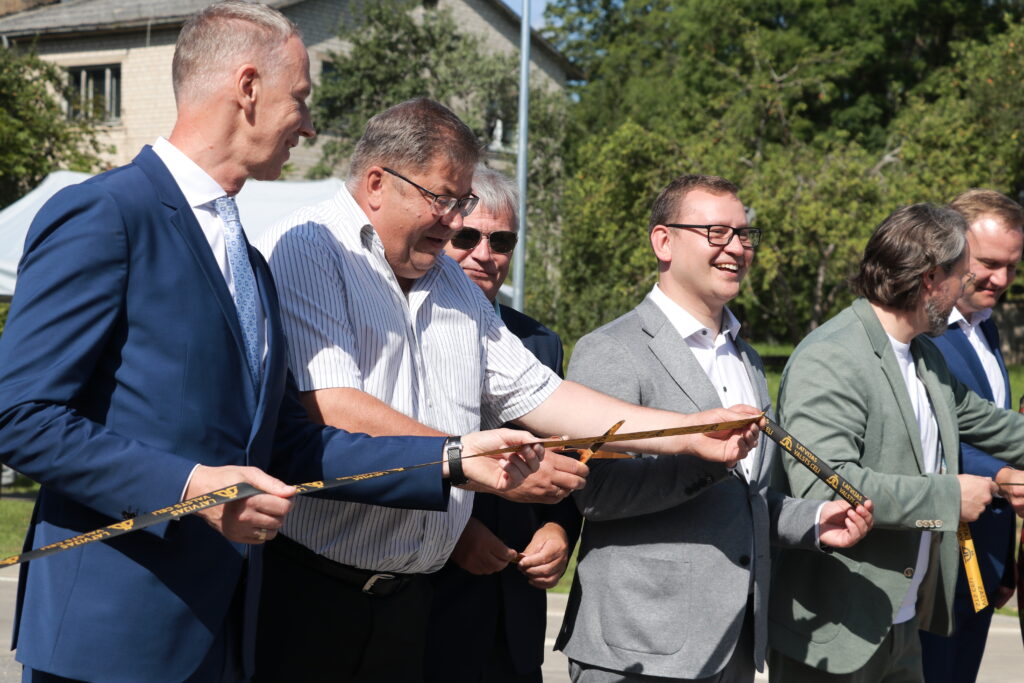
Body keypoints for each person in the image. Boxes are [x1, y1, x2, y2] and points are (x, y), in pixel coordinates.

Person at [0, 5, 545, 682]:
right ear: (249, 88)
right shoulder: (107, 213)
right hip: (112, 639)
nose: (309, 124)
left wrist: (452, 458)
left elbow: (283, 443)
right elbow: (20, 416)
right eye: (302, 98)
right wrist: (191, 487)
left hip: (229, 634)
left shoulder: (252, 263)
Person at [255, 98, 761, 682]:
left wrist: (690, 432)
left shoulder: (448, 280)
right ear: (376, 184)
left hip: (409, 603)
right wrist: (465, 459)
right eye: (444, 200)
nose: (454, 223)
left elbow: (545, 397)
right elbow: (333, 404)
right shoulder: (313, 245)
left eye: (463, 203)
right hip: (312, 595)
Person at [553, 174, 874, 683]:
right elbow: (595, 494)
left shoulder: (747, 358)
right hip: (640, 647)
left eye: (744, 234)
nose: (737, 248)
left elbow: (746, 498)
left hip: (735, 646)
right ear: (664, 242)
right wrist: (703, 462)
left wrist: (813, 521)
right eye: (717, 233)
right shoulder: (611, 349)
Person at [768, 203, 1024, 682]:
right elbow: (825, 488)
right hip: (836, 631)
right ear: (931, 279)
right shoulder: (831, 357)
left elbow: (995, 427)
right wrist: (949, 498)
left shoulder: (924, 354)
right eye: (962, 277)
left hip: (903, 624)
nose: (964, 290)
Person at [423, 165, 583, 683]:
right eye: (467, 237)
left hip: (514, 618)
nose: (484, 255)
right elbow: (387, 450)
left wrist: (559, 528)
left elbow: (568, 456)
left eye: (502, 241)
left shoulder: (539, 343)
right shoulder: (403, 328)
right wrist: (453, 534)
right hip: (428, 613)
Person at [919, 189, 1024, 683]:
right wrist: (1001, 476)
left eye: (1012, 267)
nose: (1001, 280)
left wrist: (1005, 565)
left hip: (985, 558)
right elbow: (927, 433)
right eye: (989, 264)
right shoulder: (921, 332)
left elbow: (992, 426)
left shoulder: (987, 328)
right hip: (936, 559)